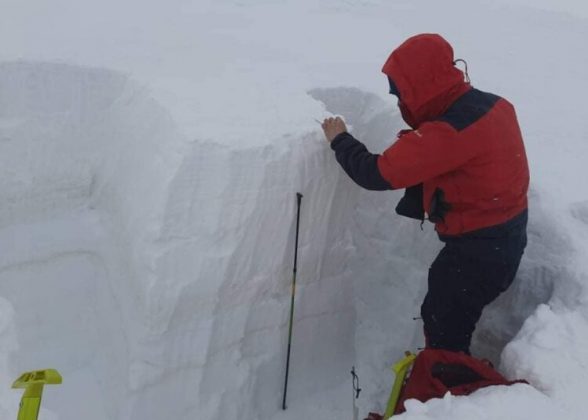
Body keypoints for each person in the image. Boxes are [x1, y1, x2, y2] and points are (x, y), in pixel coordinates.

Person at [321, 33, 529, 355]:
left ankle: (447, 388)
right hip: (506, 236)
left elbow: (376, 173)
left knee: (445, 326)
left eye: (400, 92)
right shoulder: (494, 104)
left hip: (479, 253)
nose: (398, 100)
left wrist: (340, 140)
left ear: (419, 86)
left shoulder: (446, 133)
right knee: (446, 314)